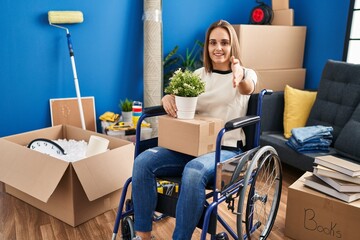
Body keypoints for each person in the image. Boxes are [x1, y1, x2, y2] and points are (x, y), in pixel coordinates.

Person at [132, 19, 257, 240]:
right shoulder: (198, 75)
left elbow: (248, 87)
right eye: (213, 43)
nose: (218, 48)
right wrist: (168, 97)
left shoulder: (246, 74)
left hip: (226, 150)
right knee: (143, 162)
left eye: (224, 43)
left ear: (232, 46)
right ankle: (143, 235)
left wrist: (239, 73)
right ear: (207, 47)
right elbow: (178, 98)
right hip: (191, 147)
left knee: (194, 170)